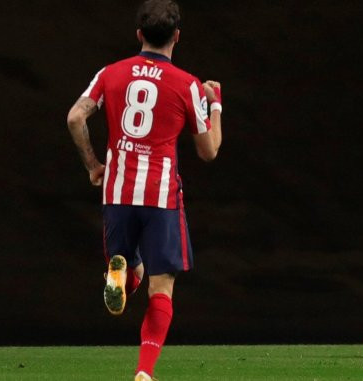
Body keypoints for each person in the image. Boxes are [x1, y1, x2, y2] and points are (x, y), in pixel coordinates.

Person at [66, 1, 223, 379]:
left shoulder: (111, 72)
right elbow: (209, 150)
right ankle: (143, 373)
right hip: (160, 195)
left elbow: (75, 116)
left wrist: (93, 166)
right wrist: (214, 104)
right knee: (162, 287)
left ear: (139, 35)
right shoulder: (186, 83)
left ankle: (119, 275)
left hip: (118, 193)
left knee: (128, 265)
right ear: (177, 36)